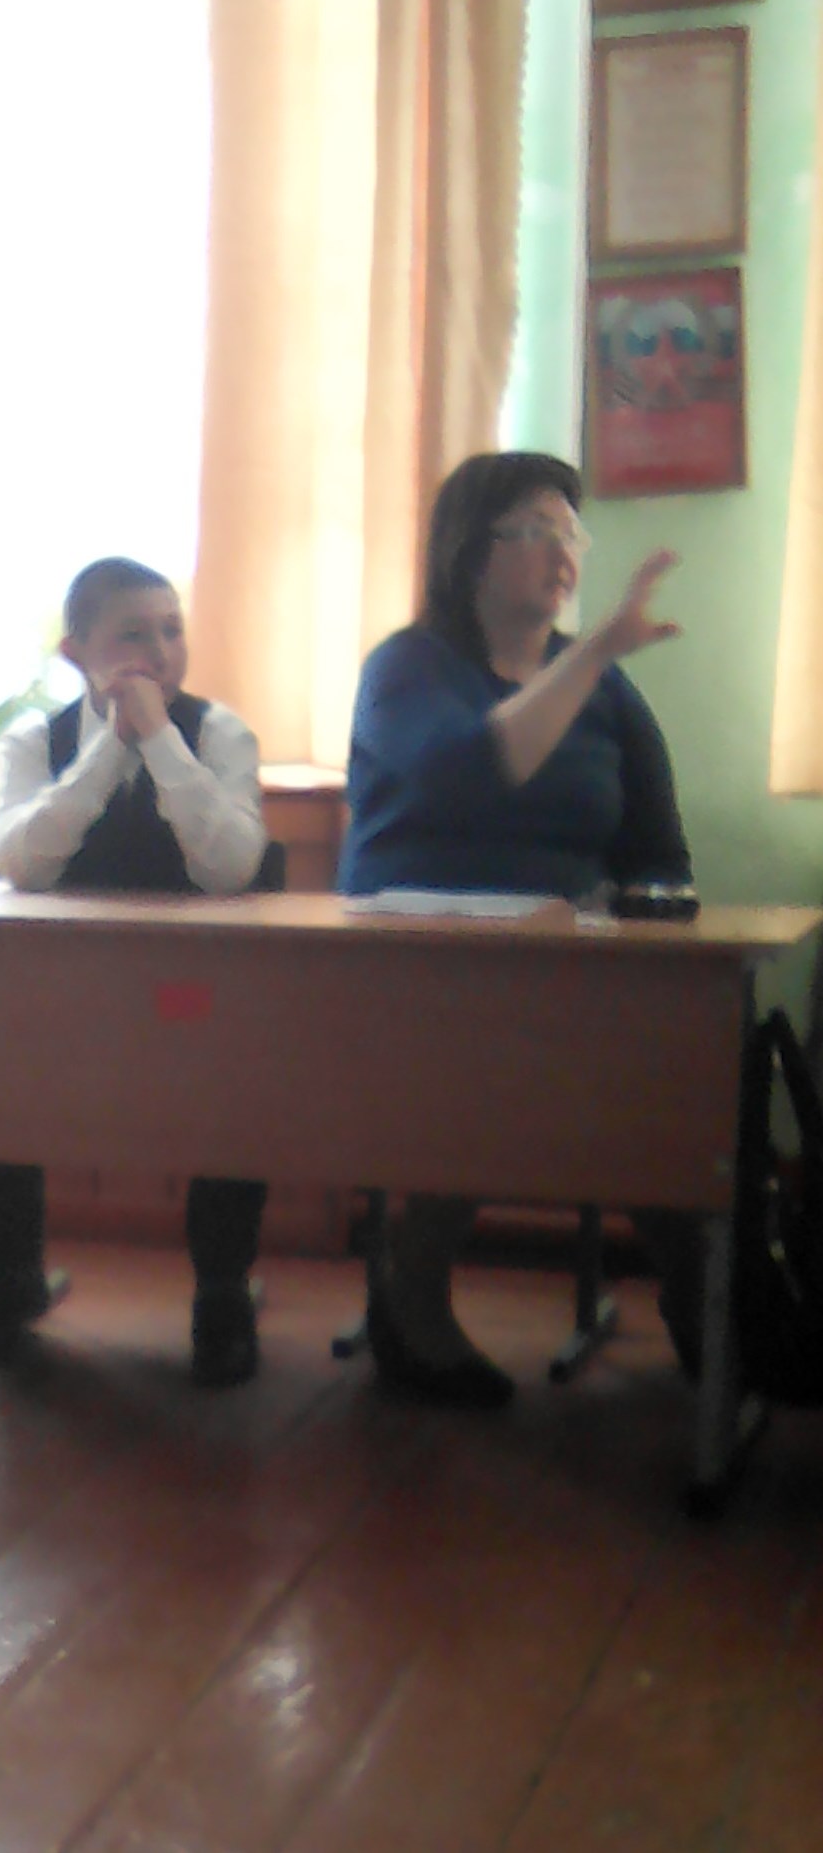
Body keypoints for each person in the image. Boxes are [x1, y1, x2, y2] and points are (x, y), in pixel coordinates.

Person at [338, 450, 700, 1405]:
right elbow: (465, 770)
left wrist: (654, 921)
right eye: (534, 530)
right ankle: (413, 1294)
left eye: (569, 530)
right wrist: (592, 652)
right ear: (468, 551)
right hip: (414, 970)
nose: (561, 551)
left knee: (677, 1071)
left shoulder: (606, 691)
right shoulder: (407, 667)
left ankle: (714, 1303)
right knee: (486, 1049)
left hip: (563, 968)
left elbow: (658, 848)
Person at [0, 555, 272, 1386]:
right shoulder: (34, 739)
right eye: (133, 634)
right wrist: (105, 752)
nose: (159, 651)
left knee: (241, 1073)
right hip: (64, 994)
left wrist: (159, 739)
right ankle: (9, 1275)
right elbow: (20, 860)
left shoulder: (220, 733)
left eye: (171, 630)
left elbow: (230, 867)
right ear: (76, 652)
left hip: (189, 995)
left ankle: (222, 1290)